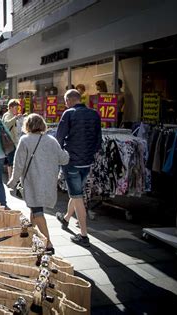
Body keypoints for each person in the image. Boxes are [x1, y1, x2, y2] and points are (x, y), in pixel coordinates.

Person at [7, 114, 69, 252]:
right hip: (49, 183)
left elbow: (18, 165)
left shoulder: (25, 140)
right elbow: (64, 159)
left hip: (33, 183)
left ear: (27, 125)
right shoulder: (52, 140)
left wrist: (12, 182)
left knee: (37, 211)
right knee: (34, 210)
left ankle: (48, 244)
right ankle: (31, 235)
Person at [55, 89, 102, 247]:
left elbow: (59, 138)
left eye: (65, 101)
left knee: (77, 196)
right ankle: (66, 218)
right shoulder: (94, 114)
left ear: (69, 100)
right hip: (86, 162)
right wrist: (89, 154)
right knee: (77, 193)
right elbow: (98, 140)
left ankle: (83, 235)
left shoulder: (68, 114)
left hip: (72, 161)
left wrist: (59, 156)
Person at [2, 99, 22, 178]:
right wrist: (16, 118)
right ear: (10, 107)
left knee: (11, 161)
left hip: (11, 142)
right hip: (10, 142)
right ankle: (11, 178)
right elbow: (6, 124)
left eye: (17, 108)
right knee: (11, 162)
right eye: (16, 108)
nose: (17, 110)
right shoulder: (8, 115)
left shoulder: (10, 115)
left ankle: (11, 178)